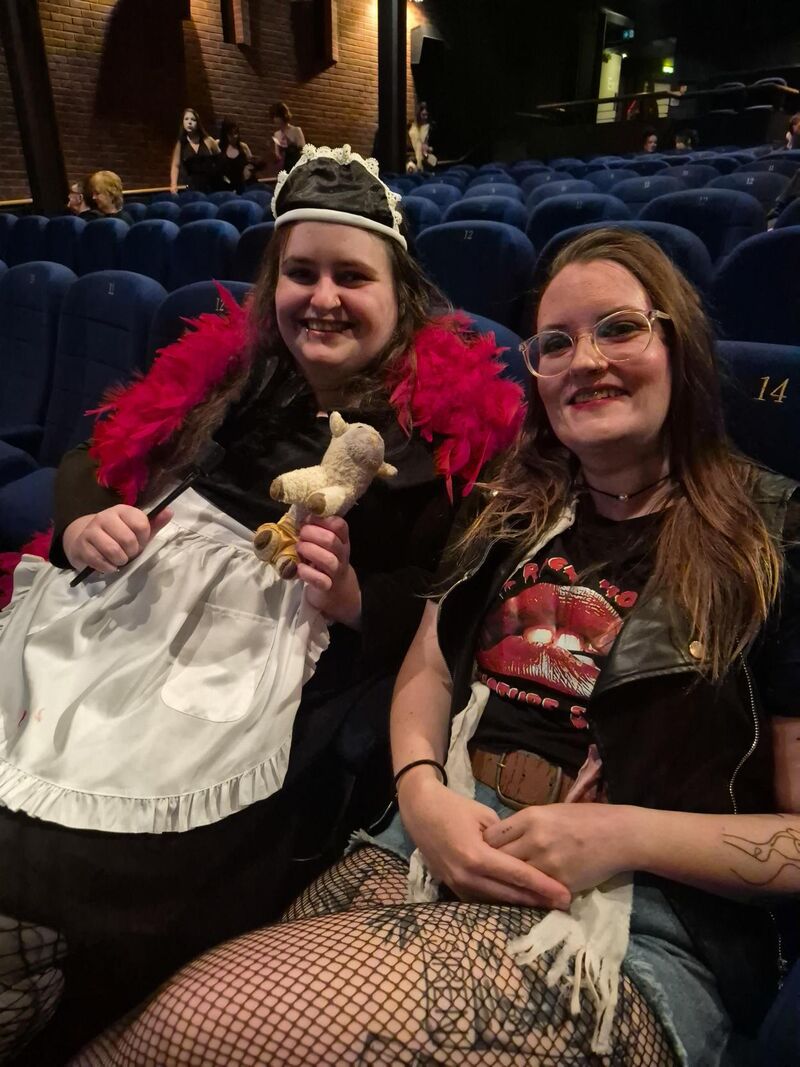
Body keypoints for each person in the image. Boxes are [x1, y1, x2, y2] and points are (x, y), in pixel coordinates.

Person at [79, 228, 800, 1067]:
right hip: (434, 840)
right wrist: (422, 795)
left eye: (620, 328)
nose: (586, 360)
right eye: (557, 342)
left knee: (192, 1027)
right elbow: (426, 665)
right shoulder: (512, 505)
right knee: (180, 1012)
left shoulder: (776, 533)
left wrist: (620, 833)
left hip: (630, 922)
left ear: (680, 345)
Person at [0, 144, 523, 1062]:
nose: (321, 297)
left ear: (401, 296)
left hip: (262, 690)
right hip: (118, 638)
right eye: (300, 272)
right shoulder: (232, 381)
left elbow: (457, 609)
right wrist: (87, 521)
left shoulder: (441, 433)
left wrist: (357, 594)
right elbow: (95, 458)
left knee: (63, 863)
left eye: (350, 277)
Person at [169, 107, 220, 194]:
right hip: (191, 186)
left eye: (193, 120)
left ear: (197, 123)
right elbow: (175, 165)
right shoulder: (181, 143)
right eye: (186, 119)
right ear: (183, 122)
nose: (189, 122)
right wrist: (173, 185)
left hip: (211, 185)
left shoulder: (208, 140)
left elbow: (220, 159)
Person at [217, 117, 261, 193]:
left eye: (236, 133)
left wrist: (251, 167)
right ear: (225, 134)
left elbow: (251, 166)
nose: (235, 136)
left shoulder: (243, 147)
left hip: (243, 186)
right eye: (231, 134)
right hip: (225, 188)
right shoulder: (218, 145)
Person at [270, 101, 305, 173]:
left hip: (296, 166)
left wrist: (290, 143)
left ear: (283, 116)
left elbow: (303, 150)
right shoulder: (276, 134)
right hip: (284, 169)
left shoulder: (296, 130)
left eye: (277, 116)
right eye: (273, 117)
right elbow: (278, 156)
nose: (275, 119)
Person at [407, 101, 437, 173]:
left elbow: (436, 149)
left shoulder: (432, 128)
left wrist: (428, 150)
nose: (424, 112)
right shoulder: (410, 128)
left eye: (426, 110)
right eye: (422, 109)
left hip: (427, 166)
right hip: (412, 165)